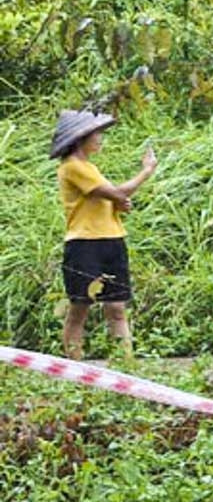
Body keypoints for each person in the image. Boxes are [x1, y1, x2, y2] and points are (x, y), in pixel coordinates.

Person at [52, 109, 157, 360]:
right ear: (80, 138)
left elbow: (108, 197)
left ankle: (126, 368)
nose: (100, 137)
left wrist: (118, 202)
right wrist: (147, 170)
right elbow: (117, 193)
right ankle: (76, 370)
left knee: (117, 307)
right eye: (95, 133)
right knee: (80, 307)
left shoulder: (89, 167)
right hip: (84, 243)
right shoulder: (73, 167)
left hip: (111, 239)